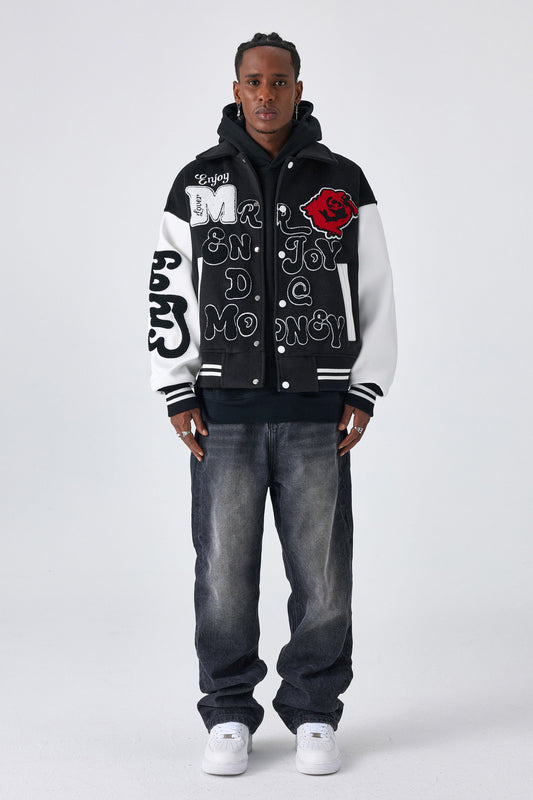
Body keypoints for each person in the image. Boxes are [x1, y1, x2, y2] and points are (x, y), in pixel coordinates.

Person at [148, 32, 397, 776]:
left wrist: (365, 385)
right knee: (223, 573)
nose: (265, 94)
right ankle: (228, 711)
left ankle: (314, 710)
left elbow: (374, 286)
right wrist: (175, 385)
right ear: (236, 90)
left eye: (278, 81)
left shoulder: (340, 181)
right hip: (221, 415)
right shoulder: (197, 183)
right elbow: (170, 285)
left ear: (297, 88)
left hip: (317, 412)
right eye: (253, 81)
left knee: (322, 575)